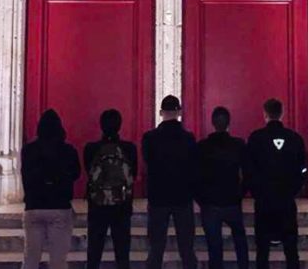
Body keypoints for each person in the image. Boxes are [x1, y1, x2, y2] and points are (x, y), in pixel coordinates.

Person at [246, 98, 307, 269]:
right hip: (286, 201)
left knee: (262, 250)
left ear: (265, 114)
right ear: (282, 114)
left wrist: (256, 192)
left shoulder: (256, 138)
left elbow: (249, 170)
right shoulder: (295, 139)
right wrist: (293, 191)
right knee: (291, 249)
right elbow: (303, 170)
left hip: (264, 202)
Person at [142, 95, 199, 269]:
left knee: (156, 248)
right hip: (183, 197)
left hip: (158, 197)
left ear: (161, 112)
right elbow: (193, 167)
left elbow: (148, 163)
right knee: (187, 248)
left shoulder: (149, 138)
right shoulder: (188, 138)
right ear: (179, 112)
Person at [21, 109, 81, 269]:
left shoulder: (28, 150)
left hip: (34, 206)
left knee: (30, 258)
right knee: (58, 260)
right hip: (59, 206)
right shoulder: (68, 150)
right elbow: (76, 174)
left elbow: (26, 174)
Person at [84, 109, 138, 269]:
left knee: (94, 251)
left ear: (101, 126)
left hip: (97, 205)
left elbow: (88, 171)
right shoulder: (129, 148)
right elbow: (132, 174)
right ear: (120, 126)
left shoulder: (91, 148)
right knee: (122, 253)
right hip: (122, 204)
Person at [197, 106, 249, 269]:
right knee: (240, 243)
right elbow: (248, 173)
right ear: (229, 124)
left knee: (214, 248)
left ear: (213, 123)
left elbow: (194, 176)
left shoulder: (202, 147)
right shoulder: (238, 145)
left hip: (210, 203)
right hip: (232, 201)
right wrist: (241, 194)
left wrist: (201, 200)